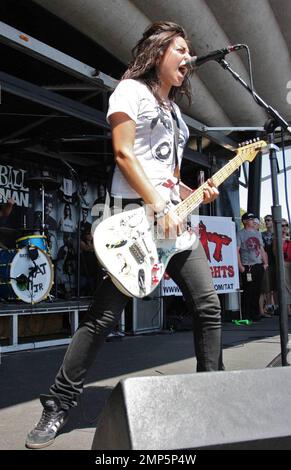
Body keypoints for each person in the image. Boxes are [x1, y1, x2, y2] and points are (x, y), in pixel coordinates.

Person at [26, 21, 222, 449]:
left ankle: (213, 398)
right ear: (159, 51)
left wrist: (196, 193)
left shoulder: (178, 118)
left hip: (173, 223)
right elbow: (123, 153)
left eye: (191, 51)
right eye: (182, 49)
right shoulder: (131, 91)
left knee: (208, 307)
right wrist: (156, 205)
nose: (189, 58)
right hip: (135, 218)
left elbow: (169, 179)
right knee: (102, 319)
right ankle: (58, 404)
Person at [237, 212, 268, 321]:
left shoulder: (257, 233)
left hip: (258, 265)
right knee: (248, 290)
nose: (252, 221)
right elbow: (236, 250)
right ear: (245, 221)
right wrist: (240, 265)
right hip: (247, 266)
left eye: (253, 219)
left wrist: (265, 263)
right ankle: (246, 314)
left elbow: (261, 249)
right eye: (250, 219)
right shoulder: (240, 234)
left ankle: (255, 314)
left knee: (257, 290)